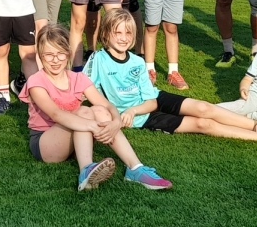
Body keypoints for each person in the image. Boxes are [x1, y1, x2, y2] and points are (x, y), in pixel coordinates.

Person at [86, 9, 257, 148]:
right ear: (105, 34)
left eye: (128, 33)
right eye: (118, 33)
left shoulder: (137, 61)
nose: (124, 38)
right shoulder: (97, 60)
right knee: (203, 124)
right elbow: (83, 91)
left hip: (150, 102)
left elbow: (151, 101)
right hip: (142, 119)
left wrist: (133, 109)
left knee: (203, 108)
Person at [19, 24, 173, 191]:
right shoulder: (36, 81)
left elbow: (106, 104)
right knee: (85, 111)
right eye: (49, 55)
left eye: (60, 54)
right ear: (40, 56)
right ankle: (86, 171)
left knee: (99, 110)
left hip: (75, 137)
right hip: (46, 143)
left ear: (68, 53)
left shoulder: (78, 78)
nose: (55, 60)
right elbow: (56, 114)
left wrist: (116, 121)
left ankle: (135, 168)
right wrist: (92, 126)